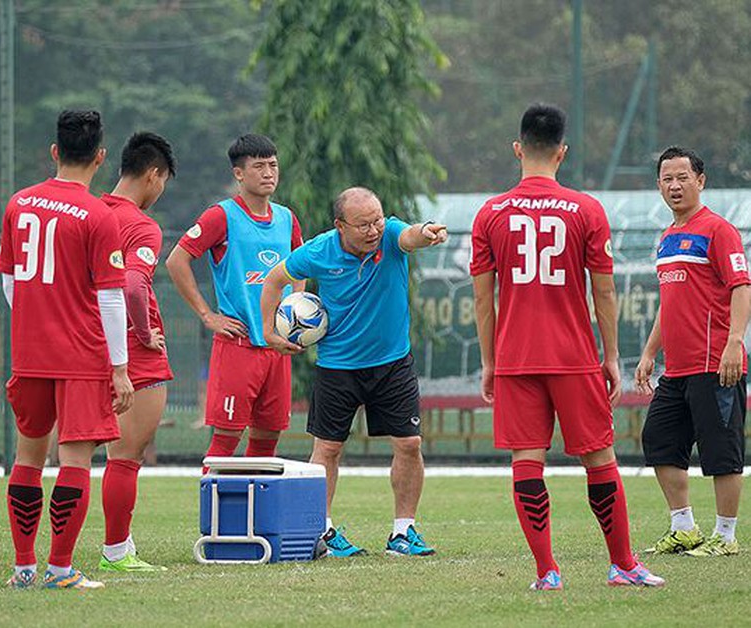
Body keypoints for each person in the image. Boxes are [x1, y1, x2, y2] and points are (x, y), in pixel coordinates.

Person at [470, 103, 664, 589]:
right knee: (599, 458)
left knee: (527, 461)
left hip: (516, 357)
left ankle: (547, 572)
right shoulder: (587, 209)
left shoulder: (490, 213)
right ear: (563, 152)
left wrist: (490, 361)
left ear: (518, 149)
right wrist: (612, 356)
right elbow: (603, 290)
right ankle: (622, 564)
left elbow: (482, 297)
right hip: (575, 356)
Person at [261, 186, 447, 557]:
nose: (373, 229)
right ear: (340, 226)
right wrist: (268, 331)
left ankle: (403, 531)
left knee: (409, 445)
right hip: (337, 367)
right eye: (363, 224)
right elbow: (274, 281)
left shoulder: (391, 235)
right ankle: (322, 533)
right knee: (327, 449)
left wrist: (425, 231)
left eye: (376, 219)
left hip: (392, 363)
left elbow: (410, 235)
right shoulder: (319, 250)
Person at [0, 110, 134, 590]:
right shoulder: (99, 214)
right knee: (74, 462)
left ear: (54, 152)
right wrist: (119, 368)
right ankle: (59, 569)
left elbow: (10, 283)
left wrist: (37, 322)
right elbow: (111, 297)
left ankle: (22, 569)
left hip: (29, 353)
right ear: (100, 157)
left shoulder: (18, 204)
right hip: (80, 356)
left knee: (27, 458)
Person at [635, 146, 750, 557]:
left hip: (716, 363)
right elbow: (671, 303)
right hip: (677, 369)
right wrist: (650, 353)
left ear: (700, 181)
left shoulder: (718, 230)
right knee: (659, 440)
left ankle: (726, 536)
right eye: (667, 178)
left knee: (721, 450)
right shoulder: (667, 238)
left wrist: (735, 342)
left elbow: (741, 285)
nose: (675, 185)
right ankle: (684, 528)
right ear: (659, 186)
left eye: (683, 177)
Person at [166, 134, 303, 466]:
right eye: (259, 166)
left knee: (267, 440)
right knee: (225, 441)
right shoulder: (221, 216)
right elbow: (176, 261)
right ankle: (214, 517)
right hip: (238, 346)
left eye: (273, 165)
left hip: (276, 349)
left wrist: (295, 309)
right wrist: (207, 315)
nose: (269, 173)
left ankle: (254, 518)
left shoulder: (286, 218)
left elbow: (300, 266)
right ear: (239, 174)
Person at [98, 132, 176, 572]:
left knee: (75, 456)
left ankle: (59, 558)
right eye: (163, 182)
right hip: (131, 351)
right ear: (153, 175)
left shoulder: (87, 212)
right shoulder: (140, 224)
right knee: (125, 458)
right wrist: (144, 333)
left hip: (83, 345)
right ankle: (116, 551)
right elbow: (132, 282)